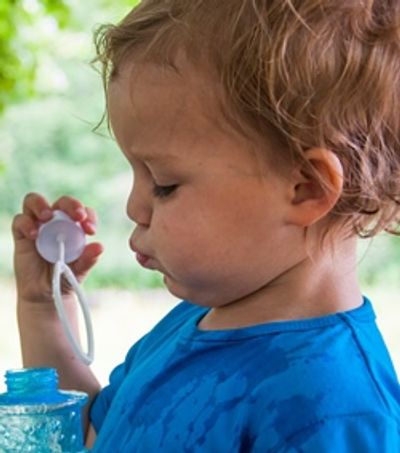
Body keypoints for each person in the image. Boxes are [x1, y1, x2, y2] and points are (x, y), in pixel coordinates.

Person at [12, 0, 400, 451]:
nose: (134, 206)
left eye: (164, 183)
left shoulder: (333, 408)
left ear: (306, 188)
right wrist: (44, 308)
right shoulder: (192, 325)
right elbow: (91, 439)